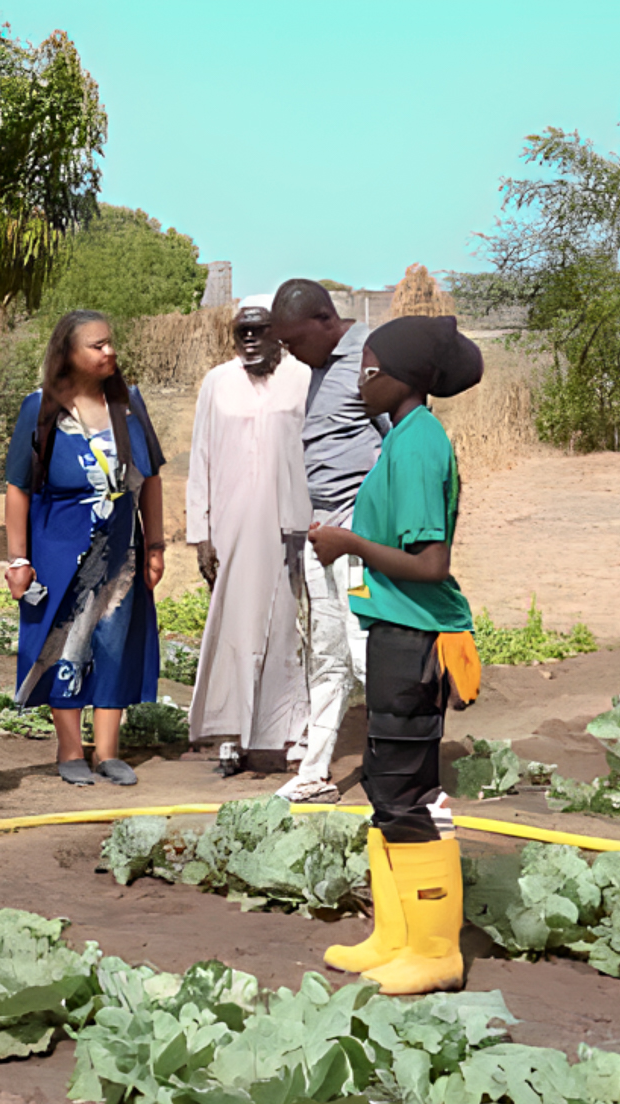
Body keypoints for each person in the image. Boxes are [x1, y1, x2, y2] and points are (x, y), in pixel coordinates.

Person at [309, 315, 484, 997]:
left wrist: (348, 545)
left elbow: (430, 563)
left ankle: (435, 950)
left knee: (409, 794)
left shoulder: (418, 446)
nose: (359, 378)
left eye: (369, 367)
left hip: (416, 636)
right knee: (386, 786)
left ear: (402, 378)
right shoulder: (405, 435)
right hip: (393, 628)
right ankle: (394, 934)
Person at [3, 311, 167, 786]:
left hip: (120, 551)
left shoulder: (131, 406)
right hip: (59, 549)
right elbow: (18, 489)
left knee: (114, 642)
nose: (109, 352)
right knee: (63, 643)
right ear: (69, 354)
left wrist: (154, 544)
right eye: (97, 346)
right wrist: (19, 559)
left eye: (110, 343)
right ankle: (71, 750)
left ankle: (109, 753)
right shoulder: (39, 410)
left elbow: (151, 479)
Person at [270, 280, 386, 803]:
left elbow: (397, 442)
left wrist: (370, 531)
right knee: (327, 654)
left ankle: (395, 772)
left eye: (294, 340)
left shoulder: (370, 358)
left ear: (324, 320)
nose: (289, 352)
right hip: (323, 534)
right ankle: (315, 772)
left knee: (366, 654)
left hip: (358, 537)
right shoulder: (318, 370)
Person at [184, 294, 311, 772]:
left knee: (290, 628)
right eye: (243, 331)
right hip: (232, 528)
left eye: (261, 329)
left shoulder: (301, 378)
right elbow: (201, 459)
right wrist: (202, 533)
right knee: (234, 628)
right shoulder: (217, 383)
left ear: (278, 332)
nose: (252, 339)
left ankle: (295, 736)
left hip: (292, 525)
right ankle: (231, 738)